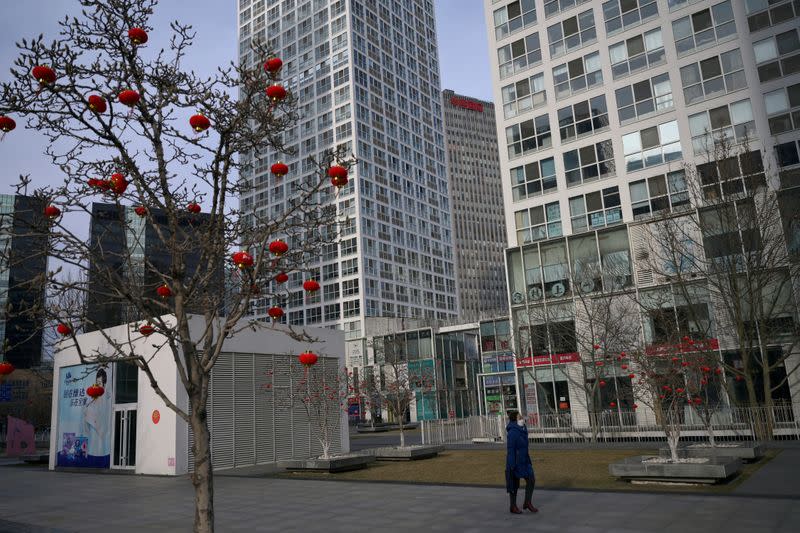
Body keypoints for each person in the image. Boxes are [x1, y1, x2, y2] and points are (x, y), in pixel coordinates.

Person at [505, 410, 537, 514]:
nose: (522, 419)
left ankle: (527, 502)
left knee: (531, 480)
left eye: (521, 417)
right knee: (514, 484)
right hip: (516, 461)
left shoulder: (523, 430)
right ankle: (513, 506)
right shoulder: (513, 432)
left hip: (525, 460)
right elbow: (511, 449)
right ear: (515, 420)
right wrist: (511, 464)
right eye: (520, 418)